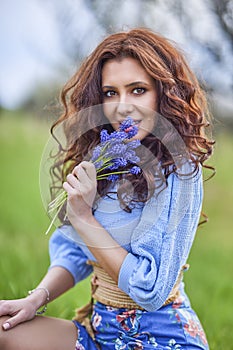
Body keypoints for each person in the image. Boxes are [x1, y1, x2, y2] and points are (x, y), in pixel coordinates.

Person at [0, 28, 214, 350]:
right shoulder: (106, 160)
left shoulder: (180, 171)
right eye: (111, 93)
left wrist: (86, 218)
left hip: (164, 338)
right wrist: (36, 299)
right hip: (100, 334)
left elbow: (150, 288)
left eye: (138, 90)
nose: (122, 106)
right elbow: (74, 248)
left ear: (163, 94)